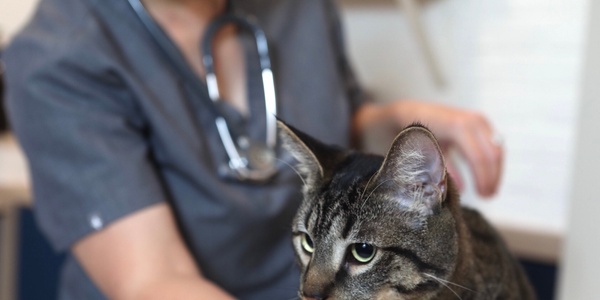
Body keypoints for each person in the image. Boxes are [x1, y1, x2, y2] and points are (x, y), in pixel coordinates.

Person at [4, 0, 503, 299]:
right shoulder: (56, 60)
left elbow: (335, 129)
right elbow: (153, 280)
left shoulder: (299, 8)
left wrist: (393, 123)